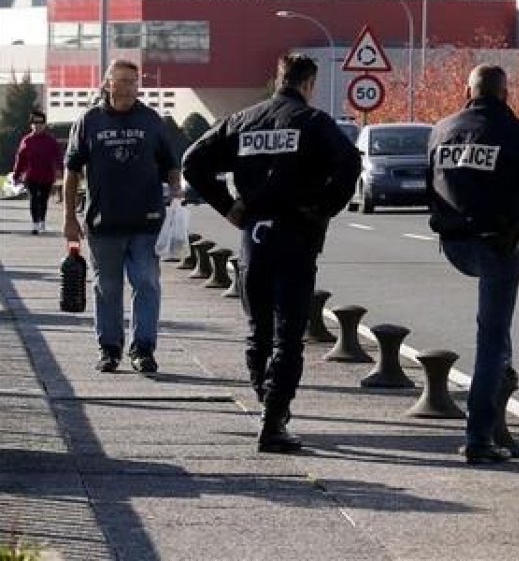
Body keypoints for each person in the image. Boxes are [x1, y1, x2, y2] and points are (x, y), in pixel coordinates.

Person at [182, 53, 360, 453]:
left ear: (277, 78)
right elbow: (350, 163)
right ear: (309, 84)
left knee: (258, 330)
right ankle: (274, 420)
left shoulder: (244, 120)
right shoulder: (313, 123)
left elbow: (193, 161)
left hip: (253, 237)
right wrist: (323, 208)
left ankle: (266, 401)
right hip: (296, 235)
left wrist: (228, 206)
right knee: (288, 335)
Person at [427, 64, 519, 465]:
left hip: (454, 244)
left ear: (468, 90)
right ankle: (479, 435)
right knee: (491, 337)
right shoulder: (518, 135)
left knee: (496, 336)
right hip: (497, 243)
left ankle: (503, 384)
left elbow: (432, 184)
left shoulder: (441, 129)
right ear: (505, 92)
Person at [63, 59, 182, 374]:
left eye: (134, 80)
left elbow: (171, 162)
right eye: (123, 80)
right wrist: (69, 217)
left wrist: (176, 194)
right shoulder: (89, 121)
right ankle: (110, 348)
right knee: (108, 288)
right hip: (103, 222)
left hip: (146, 221)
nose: (130, 86)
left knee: (146, 282)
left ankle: (143, 349)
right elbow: (72, 170)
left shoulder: (151, 120)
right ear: (107, 84)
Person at [11, 109, 61, 235]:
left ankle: (42, 222)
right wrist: (16, 175)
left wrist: (61, 169)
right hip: (31, 175)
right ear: (31, 125)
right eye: (35, 123)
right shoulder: (26, 140)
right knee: (33, 198)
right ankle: (35, 224)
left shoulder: (50, 140)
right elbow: (20, 158)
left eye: (41, 123)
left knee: (43, 199)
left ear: (44, 125)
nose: (38, 126)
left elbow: (58, 156)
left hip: (47, 175)